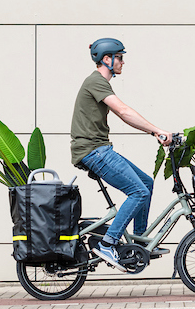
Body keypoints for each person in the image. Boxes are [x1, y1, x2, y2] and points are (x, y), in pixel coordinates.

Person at [70, 37, 173, 269]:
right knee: (138, 191)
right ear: (107, 59)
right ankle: (109, 243)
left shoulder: (99, 83)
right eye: (120, 57)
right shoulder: (95, 82)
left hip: (98, 149)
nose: (123, 62)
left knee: (145, 183)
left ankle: (137, 241)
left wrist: (153, 133)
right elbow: (124, 112)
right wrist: (157, 131)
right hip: (94, 151)